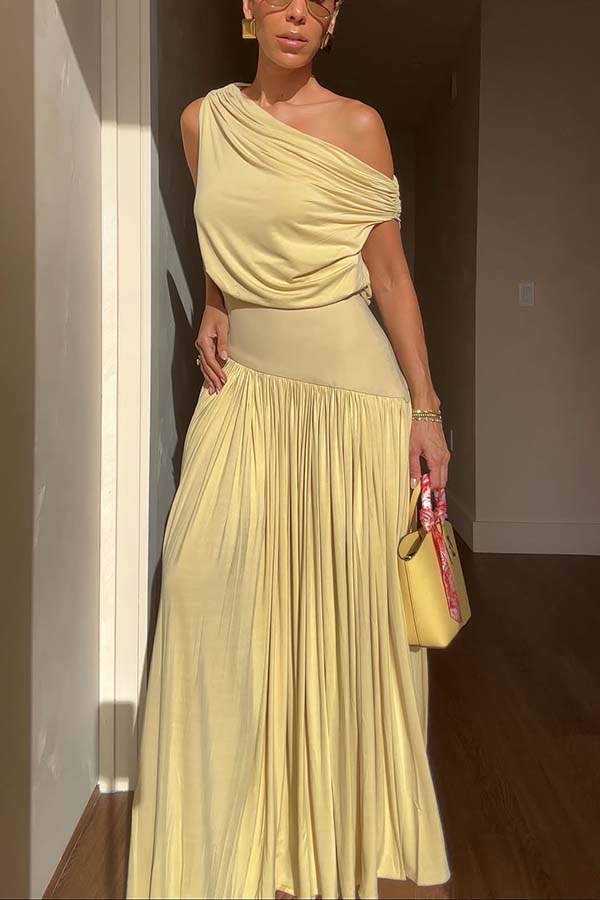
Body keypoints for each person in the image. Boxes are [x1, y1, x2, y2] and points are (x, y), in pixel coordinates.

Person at [125, 1, 452, 898]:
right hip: (244, 392)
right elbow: (223, 236)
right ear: (249, 9)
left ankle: (315, 847)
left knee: (338, 623)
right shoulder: (203, 122)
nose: (296, 11)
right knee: (201, 588)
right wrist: (217, 302)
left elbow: (390, 274)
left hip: (352, 400)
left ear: (333, 17)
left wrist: (425, 409)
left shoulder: (360, 126)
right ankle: (217, 847)